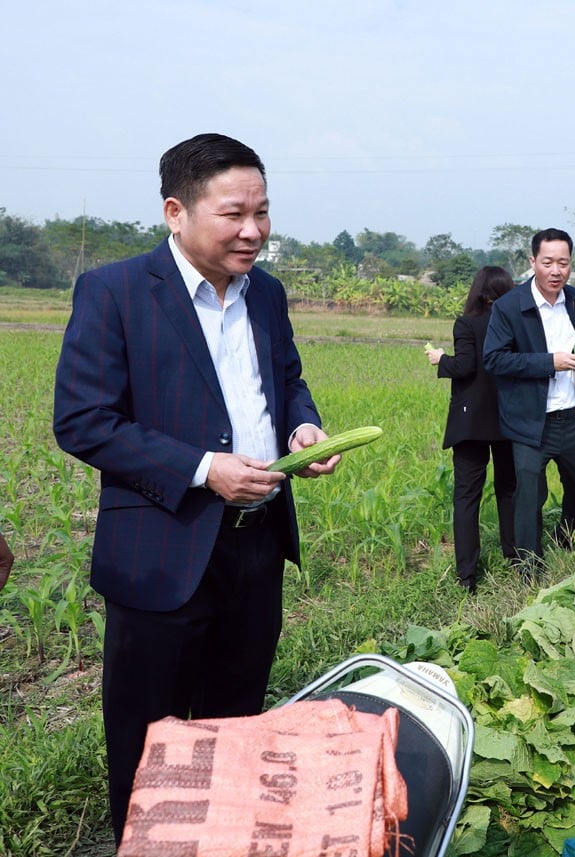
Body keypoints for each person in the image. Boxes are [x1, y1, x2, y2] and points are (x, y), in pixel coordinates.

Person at [52, 133, 339, 845]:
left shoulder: (266, 294)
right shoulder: (115, 290)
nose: (254, 231)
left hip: (256, 547)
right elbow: (84, 420)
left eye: (263, 212)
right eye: (235, 213)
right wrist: (204, 468)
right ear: (176, 211)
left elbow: (288, 380)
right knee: (153, 739)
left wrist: (303, 428)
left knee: (236, 725)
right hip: (162, 549)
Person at [483, 228, 575, 574]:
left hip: (572, 418)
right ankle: (529, 568)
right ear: (533, 262)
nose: (556, 271)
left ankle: (566, 538)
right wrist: (550, 362)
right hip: (530, 422)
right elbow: (494, 359)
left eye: (563, 263)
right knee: (528, 498)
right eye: (548, 262)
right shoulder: (510, 307)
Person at [426, 266, 517, 592]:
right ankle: (515, 556)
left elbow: (465, 366)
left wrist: (440, 359)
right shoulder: (514, 323)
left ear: (476, 290)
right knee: (509, 490)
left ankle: (467, 575)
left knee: (467, 497)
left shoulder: (467, 323)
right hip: (508, 419)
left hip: (471, 422)